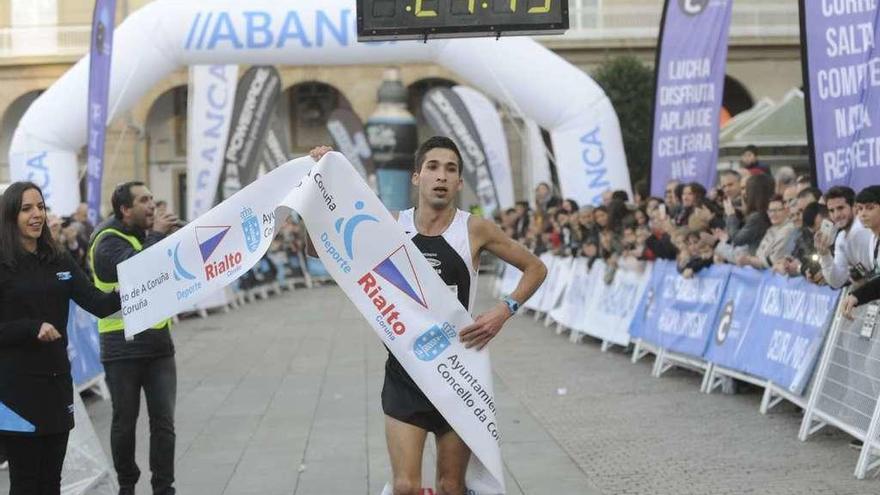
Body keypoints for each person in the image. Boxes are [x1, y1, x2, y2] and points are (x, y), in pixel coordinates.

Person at [309, 138, 547, 495]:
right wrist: (318, 181)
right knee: (406, 487)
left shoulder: (474, 229)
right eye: (433, 167)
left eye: (451, 170)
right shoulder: (391, 225)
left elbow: (535, 268)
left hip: (458, 373)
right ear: (417, 177)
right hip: (405, 372)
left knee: (451, 486)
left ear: (459, 183)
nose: (442, 176)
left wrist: (504, 310)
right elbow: (318, 248)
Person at [0, 182, 120, 494]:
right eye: (27, 209)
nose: (37, 214)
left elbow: (98, 303)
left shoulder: (58, 259)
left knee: (52, 482)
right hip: (14, 391)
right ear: (10, 215)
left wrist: (140, 284)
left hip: (56, 385)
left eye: (40, 206)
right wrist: (31, 327)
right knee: (26, 483)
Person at [89, 182, 180, 495]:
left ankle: (164, 487)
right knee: (125, 422)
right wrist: (157, 234)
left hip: (158, 345)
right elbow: (138, 271)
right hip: (121, 348)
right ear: (125, 209)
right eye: (144, 200)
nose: (152, 205)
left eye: (153, 199)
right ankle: (127, 485)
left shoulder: (146, 235)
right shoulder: (106, 241)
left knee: (164, 423)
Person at [816, 186, 876, 289]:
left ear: (854, 207)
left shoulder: (862, 231)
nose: (836, 215)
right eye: (832, 211)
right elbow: (836, 281)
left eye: (840, 208)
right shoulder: (841, 237)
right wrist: (825, 255)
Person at [842, 186, 880, 318]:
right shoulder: (873, 240)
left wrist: (858, 295)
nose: (863, 214)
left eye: (870, 208)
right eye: (859, 209)